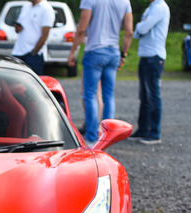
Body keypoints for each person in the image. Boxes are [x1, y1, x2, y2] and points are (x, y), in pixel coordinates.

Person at [67, 0, 133, 145]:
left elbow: (82, 28)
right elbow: (129, 31)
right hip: (113, 52)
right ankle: (109, 137)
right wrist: (124, 54)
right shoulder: (125, 1)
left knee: (90, 94)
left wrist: (73, 51)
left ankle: (91, 137)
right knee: (108, 95)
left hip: (95, 51)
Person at [130, 0, 170, 145]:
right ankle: (143, 130)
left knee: (153, 95)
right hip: (146, 55)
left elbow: (142, 28)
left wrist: (140, 26)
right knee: (144, 96)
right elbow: (138, 31)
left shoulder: (159, 7)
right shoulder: (152, 7)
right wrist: (140, 27)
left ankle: (154, 133)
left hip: (154, 56)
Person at [11, 0, 55, 75]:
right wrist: (17, 28)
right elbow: (19, 28)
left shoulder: (46, 9)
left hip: (33, 55)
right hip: (18, 52)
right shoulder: (26, 6)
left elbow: (45, 35)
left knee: (31, 85)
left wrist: (34, 53)